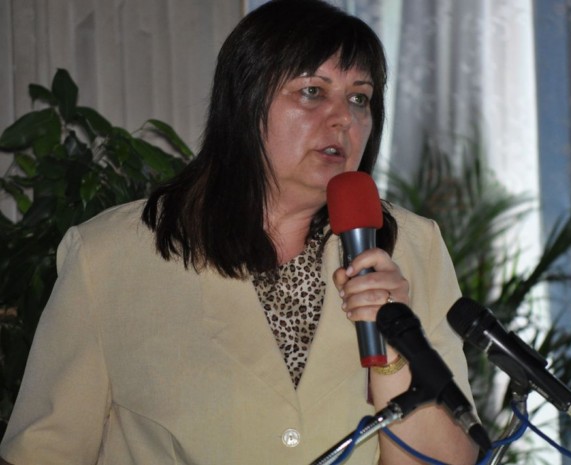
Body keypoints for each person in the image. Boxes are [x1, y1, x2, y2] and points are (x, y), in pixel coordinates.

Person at [0, 0, 481, 463]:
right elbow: (44, 454)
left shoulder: (410, 247)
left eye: (360, 98)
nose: (343, 118)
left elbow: (447, 461)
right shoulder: (109, 255)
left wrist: (395, 346)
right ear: (245, 101)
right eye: (312, 92)